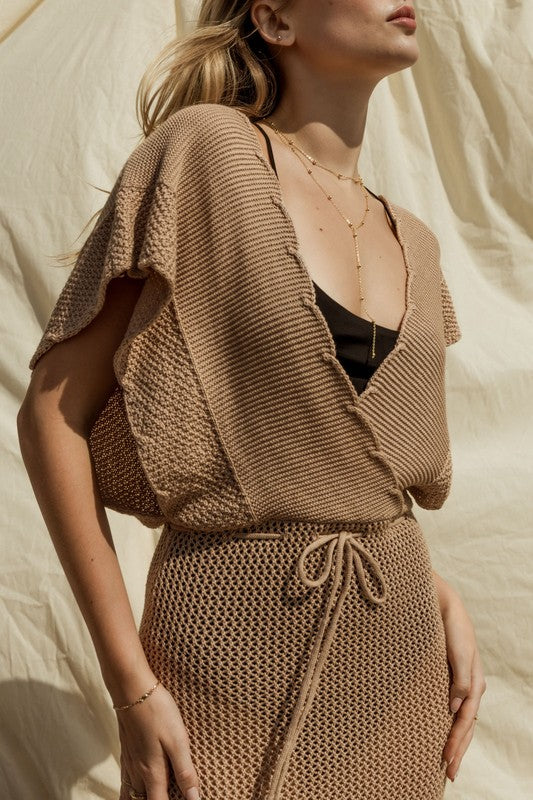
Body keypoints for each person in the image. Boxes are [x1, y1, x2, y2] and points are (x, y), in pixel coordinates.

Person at [17, 1, 486, 799]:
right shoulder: (204, 155)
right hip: (223, 646)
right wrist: (130, 689)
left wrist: (431, 588)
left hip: (399, 663)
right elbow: (51, 416)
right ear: (273, 19)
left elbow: (351, 466)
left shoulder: (414, 237)